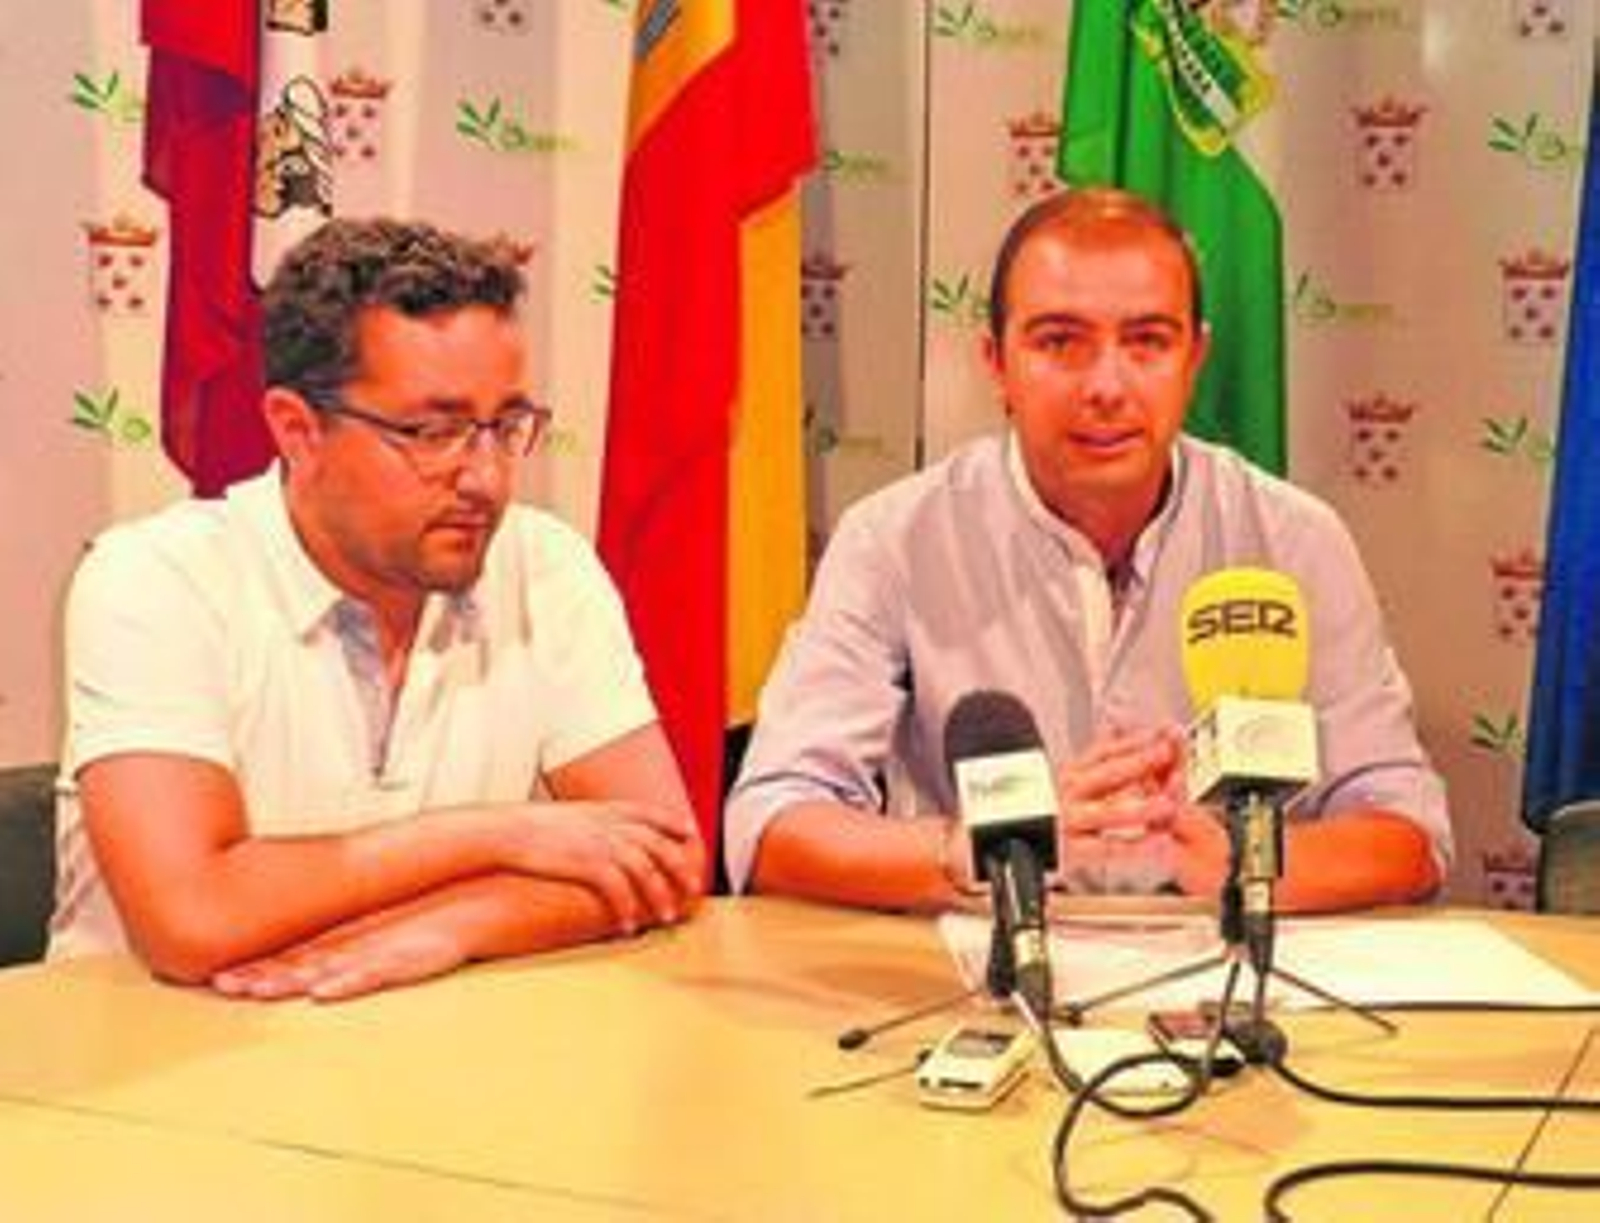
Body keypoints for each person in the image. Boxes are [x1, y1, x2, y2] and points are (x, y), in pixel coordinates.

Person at [724, 187, 1450, 913]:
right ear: (996, 364)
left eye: (1147, 342)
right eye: (1059, 341)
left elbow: (1409, 830)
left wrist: (1246, 862)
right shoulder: (894, 539)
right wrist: (984, 842)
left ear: (1194, 358)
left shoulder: (1293, 539)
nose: (1106, 386)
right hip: (986, 973)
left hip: (1225, 981)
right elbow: (771, 823)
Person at [50, 218, 704, 1000]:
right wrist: (499, 833)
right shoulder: (157, 577)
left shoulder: (545, 564)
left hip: (419, 1063)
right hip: (144, 1073)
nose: (487, 478)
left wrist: (450, 929)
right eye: (434, 431)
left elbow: (669, 857)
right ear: (298, 430)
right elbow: (192, 919)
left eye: (506, 426)